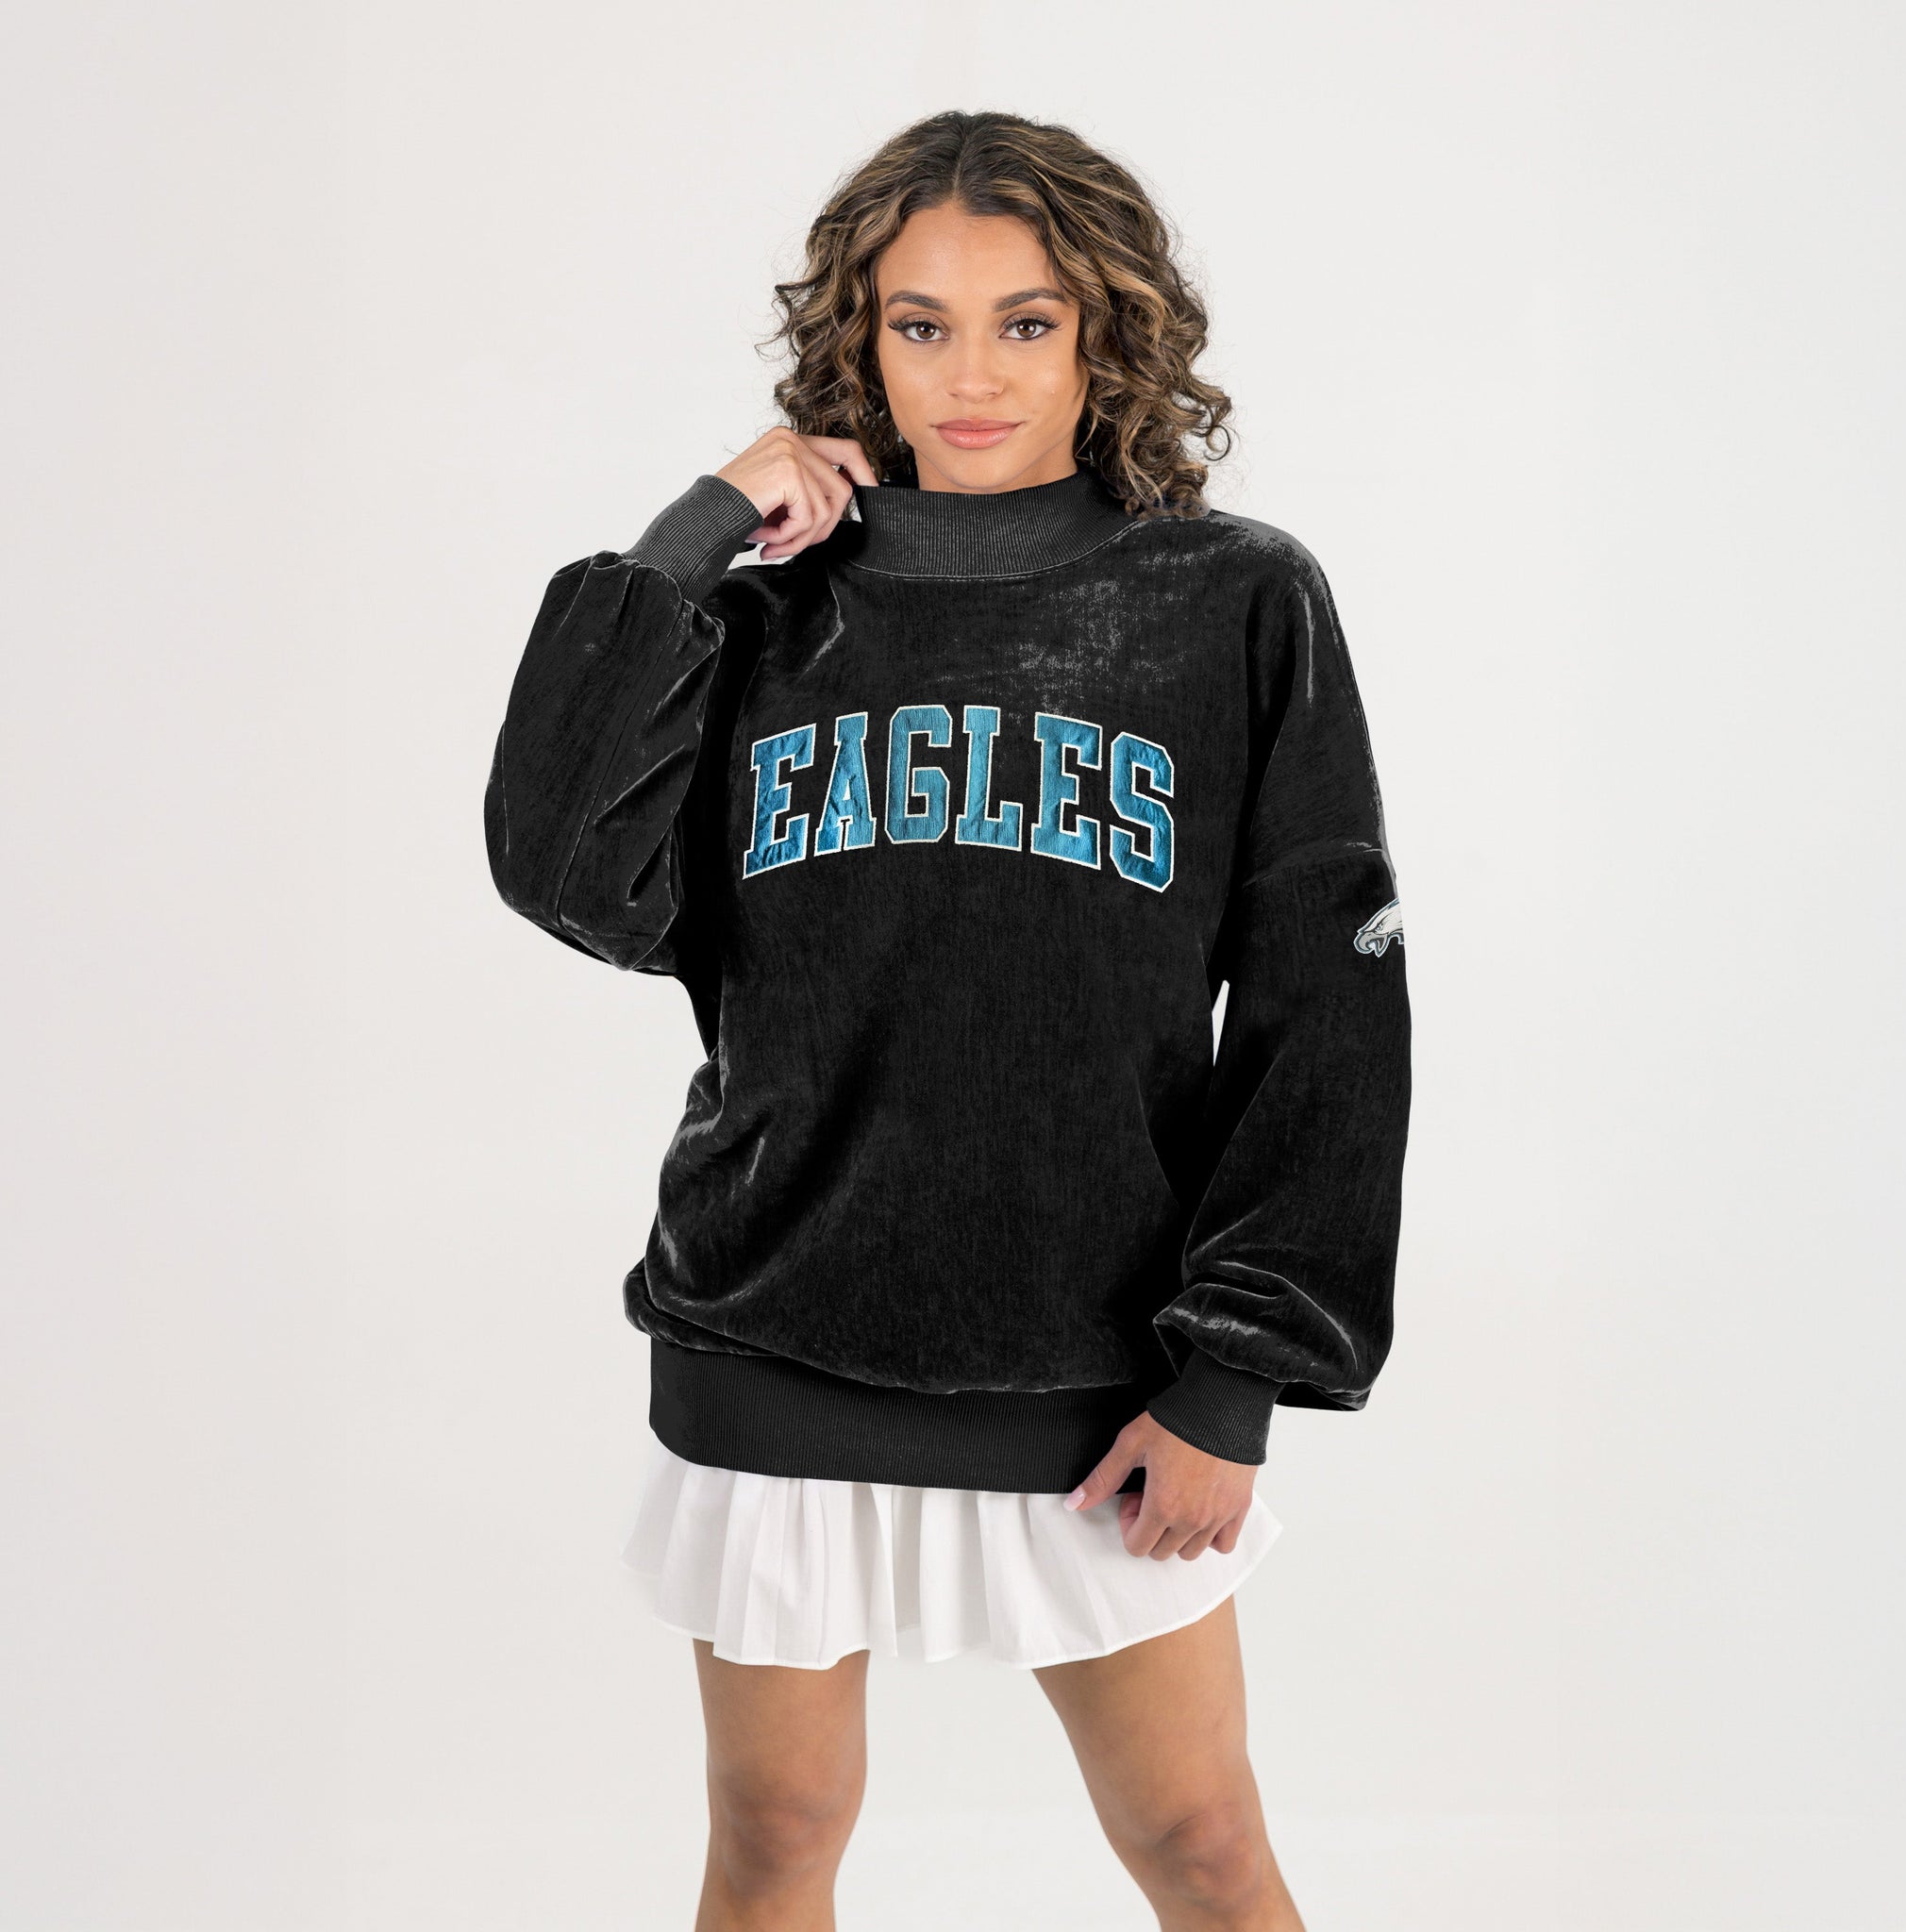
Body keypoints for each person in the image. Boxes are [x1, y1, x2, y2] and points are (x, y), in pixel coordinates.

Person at [484, 108, 1410, 1932]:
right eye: (921, 324)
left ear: (1106, 334)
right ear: (862, 341)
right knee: (773, 1842)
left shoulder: (1232, 600)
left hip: (1103, 1364)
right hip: (778, 1322)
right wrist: (699, 533)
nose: (970, 375)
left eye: (1025, 322)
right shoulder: (764, 624)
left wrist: (1237, 1372)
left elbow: (1328, 1005)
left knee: (1202, 1847)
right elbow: (558, 863)